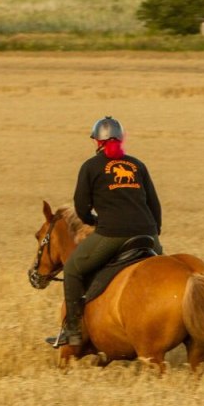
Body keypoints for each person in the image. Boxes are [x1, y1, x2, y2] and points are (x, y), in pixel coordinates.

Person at [49, 116, 163, 348]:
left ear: (97, 142)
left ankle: (72, 331)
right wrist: (153, 234)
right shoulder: (137, 165)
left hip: (113, 234)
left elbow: (81, 207)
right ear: (121, 140)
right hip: (148, 235)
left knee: (72, 269)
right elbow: (155, 205)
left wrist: (93, 222)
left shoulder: (90, 167)